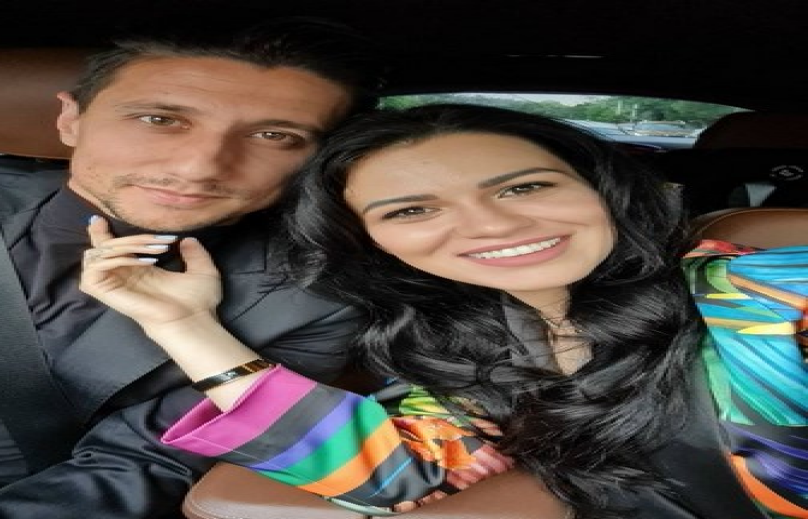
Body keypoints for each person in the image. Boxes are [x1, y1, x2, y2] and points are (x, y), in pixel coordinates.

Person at [80, 103, 808, 519]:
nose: (490, 225)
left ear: (602, 190)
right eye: (411, 209)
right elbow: (392, 473)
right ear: (373, 243)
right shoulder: (472, 344)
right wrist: (182, 324)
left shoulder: (770, 293)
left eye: (524, 187)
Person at [0, 18, 384, 519]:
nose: (199, 167)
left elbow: (143, 463)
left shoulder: (307, 299)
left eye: (274, 135)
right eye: (159, 119)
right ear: (71, 119)